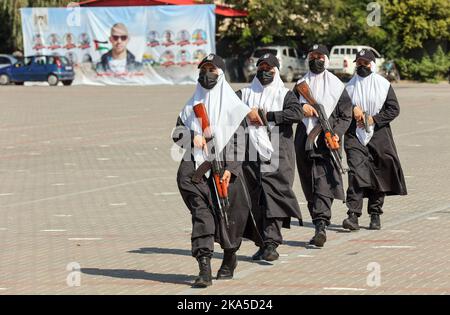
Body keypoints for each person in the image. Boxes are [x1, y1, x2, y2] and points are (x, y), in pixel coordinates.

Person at [172, 54, 252, 288]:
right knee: (202, 216)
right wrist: (193, 136)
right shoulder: (191, 105)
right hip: (194, 171)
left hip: (225, 172)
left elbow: (239, 141)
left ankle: (229, 256)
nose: (206, 75)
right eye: (203, 70)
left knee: (230, 217)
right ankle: (204, 267)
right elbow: (176, 132)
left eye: (212, 70)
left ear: (221, 74)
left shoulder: (235, 107)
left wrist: (231, 169)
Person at [237, 53, 303, 261]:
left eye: (269, 69)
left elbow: (296, 114)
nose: (265, 72)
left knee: (273, 195)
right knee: (255, 199)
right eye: (261, 68)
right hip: (249, 152)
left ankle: (272, 242)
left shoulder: (285, 95)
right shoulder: (244, 94)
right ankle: (263, 242)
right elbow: (227, 110)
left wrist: (269, 116)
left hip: (277, 151)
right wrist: (248, 113)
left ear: (277, 71)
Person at [342, 49, 407, 231]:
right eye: (359, 63)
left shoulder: (383, 85)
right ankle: (352, 215)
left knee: (379, 172)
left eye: (365, 63)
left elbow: (394, 109)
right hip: (355, 135)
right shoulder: (348, 87)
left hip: (379, 134)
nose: (362, 66)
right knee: (356, 172)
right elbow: (340, 109)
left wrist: (374, 119)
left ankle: (375, 214)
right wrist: (352, 108)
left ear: (372, 64)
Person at [294, 44, 352, 247]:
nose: (316, 60)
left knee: (323, 182)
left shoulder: (337, 86)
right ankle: (319, 221)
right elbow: (290, 108)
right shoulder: (300, 84)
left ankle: (321, 225)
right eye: (312, 56)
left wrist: (334, 134)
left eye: (320, 57)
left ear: (326, 60)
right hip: (304, 141)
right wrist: (303, 107)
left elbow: (346, 115)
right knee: (309, 183)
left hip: (327, 143)